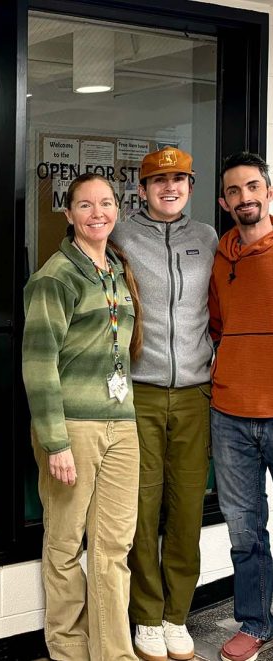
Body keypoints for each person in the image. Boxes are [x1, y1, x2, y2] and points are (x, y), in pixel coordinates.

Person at [24, 172, 143, 660]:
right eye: (87, 205)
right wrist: (56, 442)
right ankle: (69, 650)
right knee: (66, 546)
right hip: (74, 427)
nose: (99, 213)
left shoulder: (115, 268)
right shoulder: (56, 276)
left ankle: (114, 654)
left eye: (107, 203)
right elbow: (38, 364)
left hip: (122, 423)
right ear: (69, 214)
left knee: (114, 550)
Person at [110, 147, 217, 661]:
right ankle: (147, 617)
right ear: (143, 189)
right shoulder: (122, 236)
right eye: (159, 181)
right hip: (142, 391)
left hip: (196, 393)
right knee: (141, 506)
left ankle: (178, 613)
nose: (169, 188)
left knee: (186, 508)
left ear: (190, 186)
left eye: (179, 179)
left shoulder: (208, 238)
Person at [208, 151, 273, 661]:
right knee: (244, 529)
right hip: (230, 415)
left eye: (252, 187)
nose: (244, 198)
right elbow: (215, 327)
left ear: (268, 191)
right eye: (234, 191)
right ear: (225, 201)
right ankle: (254, 622)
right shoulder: (221, 256)